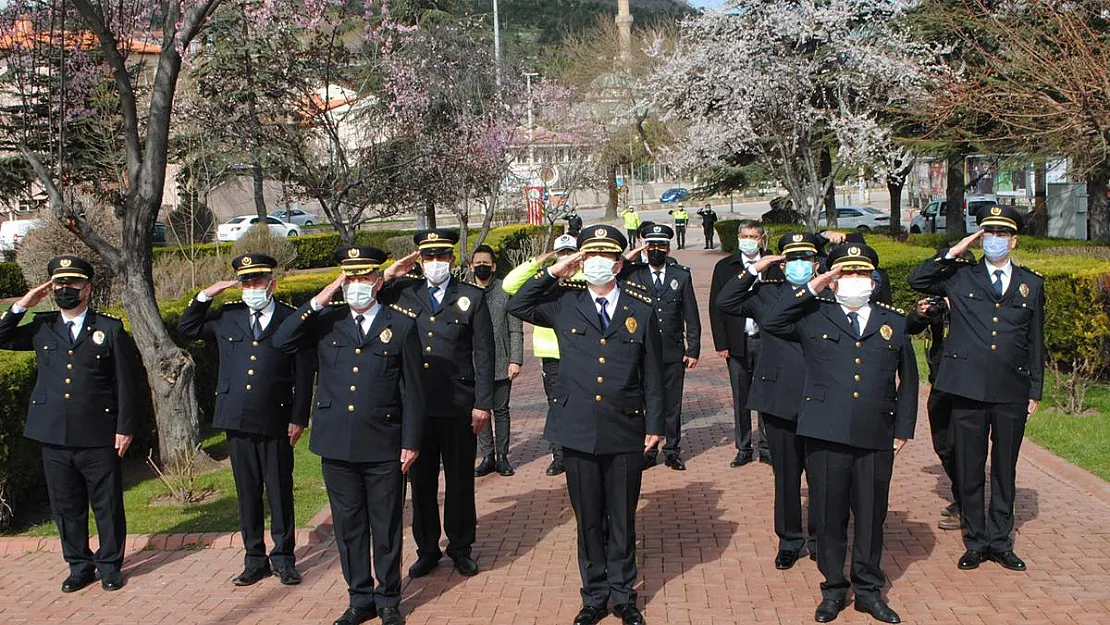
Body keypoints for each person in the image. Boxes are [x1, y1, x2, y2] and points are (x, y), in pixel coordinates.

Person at [506, 224, 664, 625]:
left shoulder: (640, 306)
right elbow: (517, 304)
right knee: (589, 518)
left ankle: (624, 595)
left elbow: (653, 373)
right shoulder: (564, 302)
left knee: (623, 516)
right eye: (588, 255)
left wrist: (656, 424)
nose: (596, 262)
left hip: (625, 427)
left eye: (604, 255)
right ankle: (594, 596)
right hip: (577, 427)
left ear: (617, 262)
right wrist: (558, 269)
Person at [763, 243, 918, 625]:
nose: (855, 281)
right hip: (825, 432)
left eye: (862, 274)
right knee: (829, 515)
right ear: (833, 280)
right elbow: (772, 322)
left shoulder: (892, 321)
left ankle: (868, 590)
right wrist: (815, 285)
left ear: (873, 280)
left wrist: (903, 431)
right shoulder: (814, 316)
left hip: (875, 433)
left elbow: (909, 380)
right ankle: (833, 588)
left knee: (870, 516)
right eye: (846, 273)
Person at [273, 246, 424, 625]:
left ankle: (388, 598)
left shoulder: (401, 324)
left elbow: (414, 390)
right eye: (350, 278)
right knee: (349, 526)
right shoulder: (327, 322)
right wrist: (322, 297)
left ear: (377, 280)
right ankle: (359, 598)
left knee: (386, 524)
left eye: (363, 277)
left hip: (384, 443)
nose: (357, 285)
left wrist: (411, 440)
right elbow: (282, 340)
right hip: (337, 443)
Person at [908, 205, 1044, 573]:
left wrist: (1035, 389)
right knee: (969, 468)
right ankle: (976, 540)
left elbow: (1035, 340)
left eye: (1002, 234)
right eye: (989, 234)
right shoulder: (961, 276)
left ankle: (1001, 541)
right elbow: (918, 279)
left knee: (1004, 469)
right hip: (965, 388)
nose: (996, 240)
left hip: (1010, 389)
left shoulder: (1032, 282)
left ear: (1014, 240)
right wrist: (954, 250)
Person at [0, 256, 140, 593]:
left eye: (72, 284)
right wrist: (23, 304)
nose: (65, 290)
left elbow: (127, 383)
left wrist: (126, 427)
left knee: (106, 504)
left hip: (98, 434)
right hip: (54, 434)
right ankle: (79, 565)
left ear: (87, 288)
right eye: (59, 284)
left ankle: (109, 565)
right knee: (66, 506)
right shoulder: (43, 327)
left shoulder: (109, 329)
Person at [177, 254, 315, 587]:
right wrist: (205, 295)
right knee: (247, 492)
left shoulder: (288, 318)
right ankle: (254, 558)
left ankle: (284, 558)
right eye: (247, 282)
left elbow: (304, 370)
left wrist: (299, 417)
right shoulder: (228, 316)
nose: (252, 288)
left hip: (276, 418)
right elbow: (187, 327)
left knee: (279, 490)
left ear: (272, 283)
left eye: (258, 282)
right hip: (236, 418)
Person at [377, 229, 494, 579]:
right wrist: (389, 274)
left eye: (441, 256)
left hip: (458, 404)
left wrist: (483, 402)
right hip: (416, 407)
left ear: (452, 259)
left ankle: (460, 547)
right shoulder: (403, 292)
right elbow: (365, 295)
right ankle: (427, 548)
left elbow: (484, 354)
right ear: (420, 261)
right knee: (422, 482)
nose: (435, 263)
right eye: (428, 257)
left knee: (460, 481)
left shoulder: (470, 297)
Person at [714, 232, 821, 570]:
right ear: (783, 262)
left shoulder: (827, 295)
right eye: (792, 259)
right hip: (779, 397)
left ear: (817, 263)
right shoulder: (767, 293)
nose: (799, 265)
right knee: (786, 476)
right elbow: (725, 301)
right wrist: (755, 269)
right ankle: (790, 539)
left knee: (821, 475)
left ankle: (819, 537)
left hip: (820, 397)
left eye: (806, 259)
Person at [501, 234, 580, 476]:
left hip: (579, 352)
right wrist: (542, 262)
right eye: (562, 253)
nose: (566, 258)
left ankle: (578, 451)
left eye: (570, 253)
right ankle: (559, 456)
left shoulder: (584, 278)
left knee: (581, 404)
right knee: (556, 405)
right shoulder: (545, 280)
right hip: (552, 355)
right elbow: (509, 285)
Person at [629, 223, 700, 471]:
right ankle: (648, 451)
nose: (656, 250)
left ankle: (672, 451)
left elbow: (691, 314)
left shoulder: (680, 275)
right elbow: (615, 271)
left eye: (661, 245)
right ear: (644, 247)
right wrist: (634, 253)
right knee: (645, 402)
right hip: (642, 352)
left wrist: (693, 349)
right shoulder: (634, 274)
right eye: (652, 245)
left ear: (669, 248)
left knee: (672, 404)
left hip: (672, 351)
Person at [708, 219, 771, 466]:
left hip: (767, 341)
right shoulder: (725, 267)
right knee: (741, 397)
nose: (749, 240)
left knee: (766, 395)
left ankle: (766, 447)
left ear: (762, 239)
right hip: (738, 341)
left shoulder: (774, 265)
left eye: (754, 236)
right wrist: (721, 343)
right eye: (744, 236)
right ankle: (744, 447)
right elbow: (716, 308)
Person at [470, 245, 524, 477]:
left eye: (486, 263)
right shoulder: (464, 293)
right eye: (477, 263)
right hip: (473, 365)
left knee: (501, 410)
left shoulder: (505, 291)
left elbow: (515, 329)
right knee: (480, 410)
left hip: (501, 360)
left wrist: (516, 359)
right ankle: (487, 456)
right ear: (471, 267)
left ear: (493, 266)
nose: (481, 266)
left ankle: (502, 456)